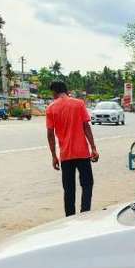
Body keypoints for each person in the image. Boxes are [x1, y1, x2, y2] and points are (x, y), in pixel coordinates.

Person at [46, 81, 99, 216]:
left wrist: (54, 155)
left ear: (54, 92)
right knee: (87, 184)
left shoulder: (51, 108)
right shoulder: (79, 104)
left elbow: (50, 134)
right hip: (82, 153)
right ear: (66, 90)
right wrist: (93, 148)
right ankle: (85, 213)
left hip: (66, 156)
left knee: (69, 189)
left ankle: (70, 218)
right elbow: (86, 127)